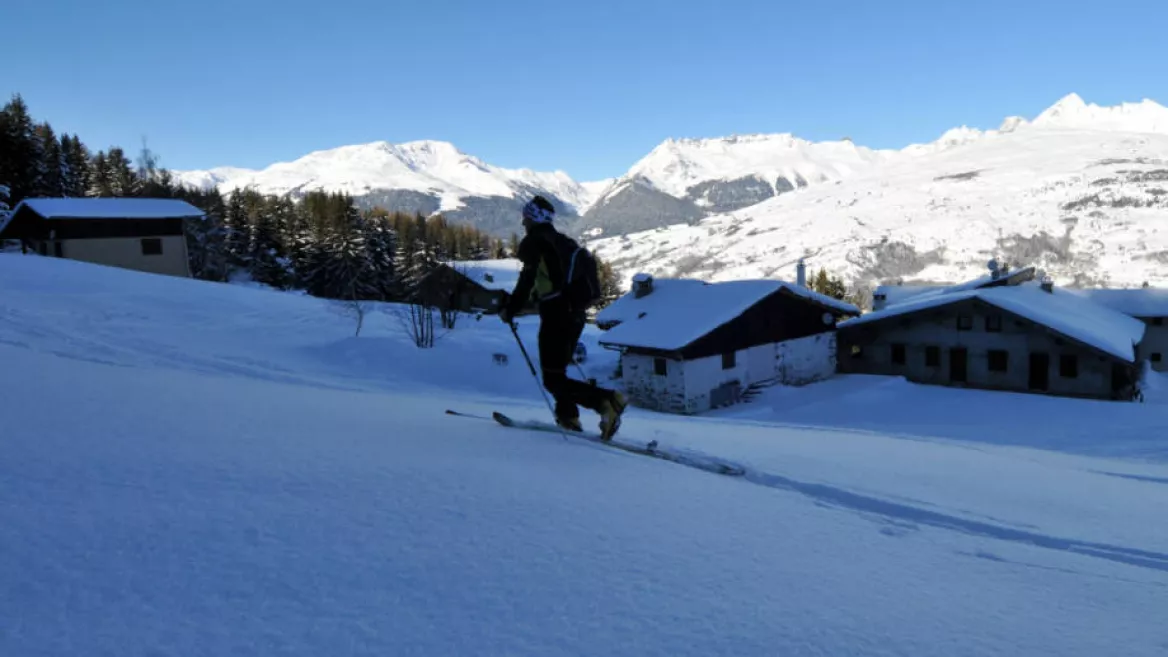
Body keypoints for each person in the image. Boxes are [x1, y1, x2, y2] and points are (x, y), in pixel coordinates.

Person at [498, 195, 627, 440]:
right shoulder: (562, 242)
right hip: (575, 314)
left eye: (526, 215)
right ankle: (569, 418)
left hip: (557, 316)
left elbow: (527, 279)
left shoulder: (534, 242)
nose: (522, 221)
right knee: (556, 373)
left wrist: (511, 308)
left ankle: (607, 401)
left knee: (552, 378)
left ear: (533, 217)